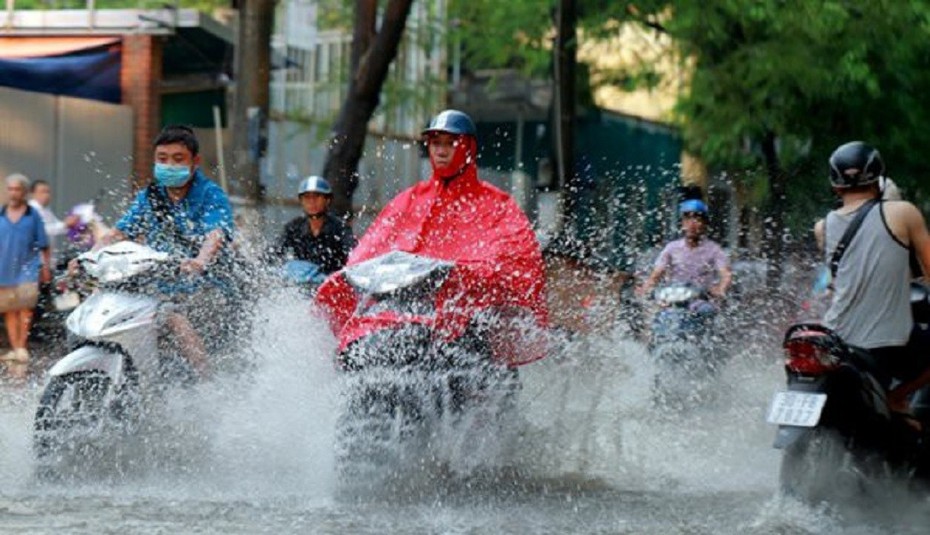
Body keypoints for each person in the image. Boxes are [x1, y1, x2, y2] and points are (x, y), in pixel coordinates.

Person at [315, 109, 548, 366]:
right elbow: (367, 253)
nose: (441, 151)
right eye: (436, 143)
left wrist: (463, 274)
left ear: (469, 147)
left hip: (465, 318)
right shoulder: (409, 199)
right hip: (400, 314)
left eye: (450, 143)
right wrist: (350, 275)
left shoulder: (497, 205)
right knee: (353, 353)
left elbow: (513, 264)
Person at [100, 124, 236, 376]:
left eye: (178, 159)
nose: (169, 165)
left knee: (171, 317)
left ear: (195, 161)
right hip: (159, 285)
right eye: (162, 159)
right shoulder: (149, 197)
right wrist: (92, 254)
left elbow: (215, 235)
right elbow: (119, 231)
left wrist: (199, 261)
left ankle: (209, 385)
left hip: (207, 287)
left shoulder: (210, 195)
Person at [814, 141, 930, 415]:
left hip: (835, 337)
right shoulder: (903, 212)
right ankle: (897, 398)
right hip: (885, 344)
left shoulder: (822, 227)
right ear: (878, 178)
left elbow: (842, 278)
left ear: (836, 185)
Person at [636, 198, 732, 301]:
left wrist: (721, 289)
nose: (692, 224)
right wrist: (645, 289)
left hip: (702, 299)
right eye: (687, 219)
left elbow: (726, 274)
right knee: (660, 314)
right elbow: (656, 274)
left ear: (705, 224)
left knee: (705, 310)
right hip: (674, 297)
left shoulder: (714, 250)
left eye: (698, 219)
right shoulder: (672, 248)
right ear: (682, 224)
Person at [0, 173, 51, 364]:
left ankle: (22, 345)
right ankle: (15, 348)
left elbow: (43, 243)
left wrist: (45, 267)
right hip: (4, 268)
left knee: (25, 308)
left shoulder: (33, 215)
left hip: (27, 267)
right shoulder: (1, 213)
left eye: (17, 189)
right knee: (10, 309)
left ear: (24, 192)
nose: (13, 193)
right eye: (10, 189)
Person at [270, 175, 356, 280]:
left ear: (327, 200)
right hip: (301, 285)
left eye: (317, 196)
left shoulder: (340, 228)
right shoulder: (293, 227)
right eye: (307, 197)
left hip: (330, 286)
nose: (312, 202)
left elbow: (354, 254)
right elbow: (274, 253)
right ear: (301, 201)